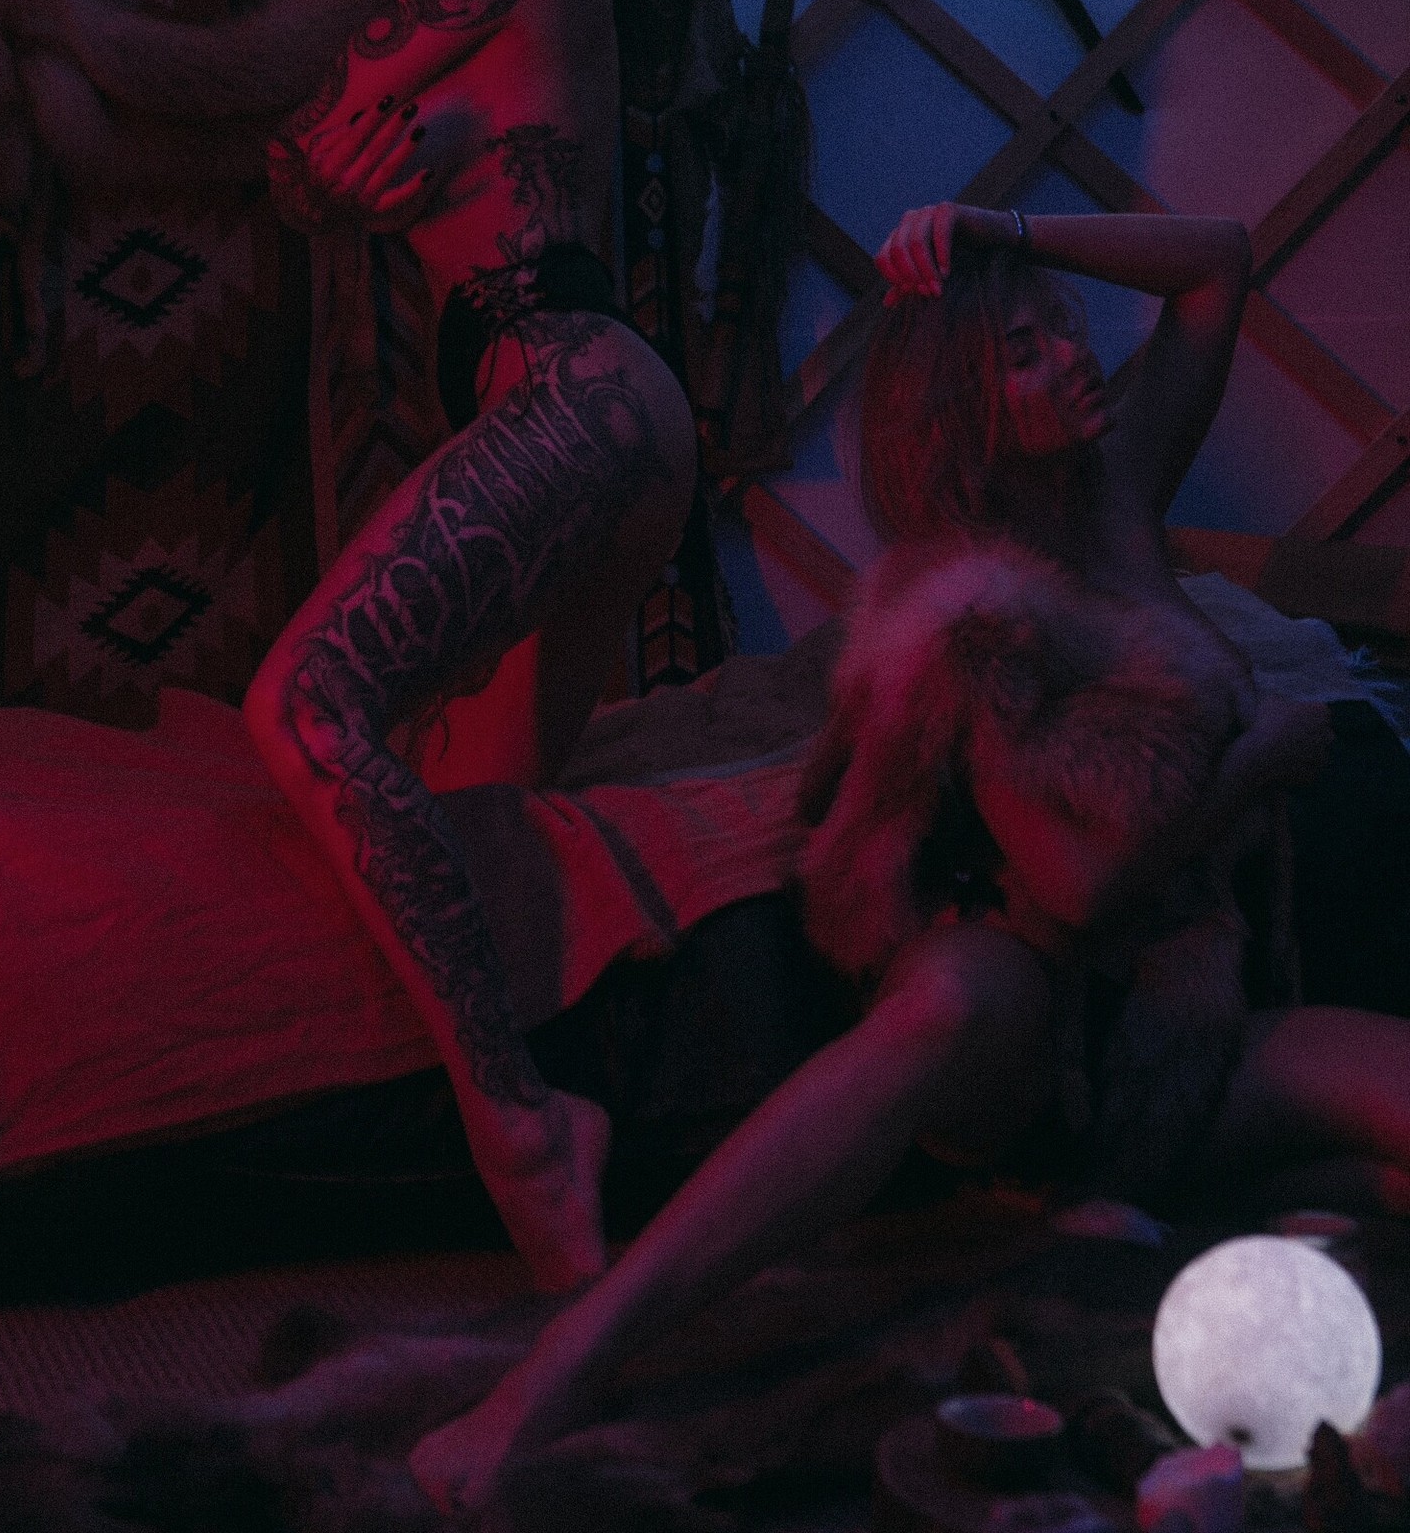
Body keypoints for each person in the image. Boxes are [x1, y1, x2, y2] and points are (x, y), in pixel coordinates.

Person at [406, 201, 1410, 1516]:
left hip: (1195, 1022)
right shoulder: (966, 604)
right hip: (1040, 1038)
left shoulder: (1118, 495)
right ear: (960, 418)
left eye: (1065, 331)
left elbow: (1217, 263)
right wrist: (1259, 757)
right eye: (1025, 355)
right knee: (952, 991)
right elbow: (1075, 887)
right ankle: (549, 1380)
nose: (1075, 358)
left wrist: (1007, 228)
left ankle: (1242, 1209)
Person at [242, 0, 704, 1296]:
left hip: (561, 392)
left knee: (305, 708)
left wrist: (319, 180)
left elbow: (306, 142)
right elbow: (399, 147)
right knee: (477, 829)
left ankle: (523, 1125)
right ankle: (617, 1159)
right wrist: (359, 172)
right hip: (620, 416)